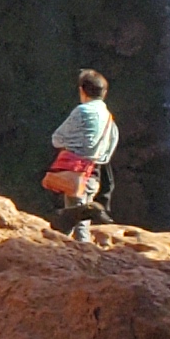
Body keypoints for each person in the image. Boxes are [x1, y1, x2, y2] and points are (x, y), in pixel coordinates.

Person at [47, 70, 118, 239]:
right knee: (79, 217)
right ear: (104, 93)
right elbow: (109, 150)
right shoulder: (109, 117)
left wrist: (72, 148)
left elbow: (57, 138)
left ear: (81, 90)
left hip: (76, 171)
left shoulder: (82, 111)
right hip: (95, 174)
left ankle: (79, 257)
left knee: (77, 221)